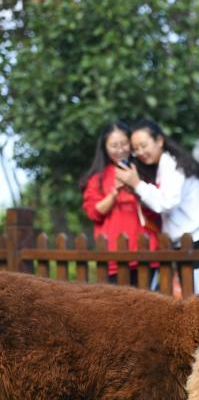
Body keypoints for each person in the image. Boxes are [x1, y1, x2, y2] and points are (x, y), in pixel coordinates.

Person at [115, 119, 199, 294]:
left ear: (159, 140)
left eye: (144, 145)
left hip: (198, 242)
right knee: (194, 299)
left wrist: (137, 183)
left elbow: (167, 202)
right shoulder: (164, 165)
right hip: (188, 243)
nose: (140, 152)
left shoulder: (172, 163)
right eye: (136, 148)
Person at [80, 121, 161, 286]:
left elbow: (158, 208)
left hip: (147, 254)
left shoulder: (146, 170)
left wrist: (137, 189)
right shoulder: (98, 177)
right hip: (113, 257)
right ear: (105, 148)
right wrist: (114, 193)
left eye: (124, 144)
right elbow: (93, 213)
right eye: (114, 145)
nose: (120, 150)